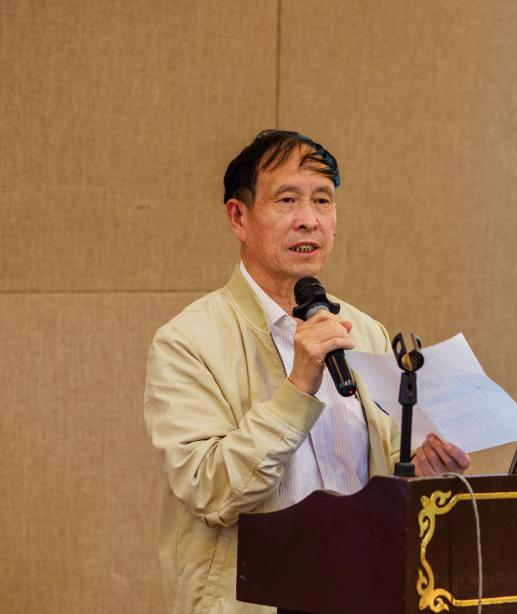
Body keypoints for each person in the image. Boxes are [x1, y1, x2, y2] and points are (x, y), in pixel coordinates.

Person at [144, 130, 470, 613]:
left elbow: (378, 473)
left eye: (323, 200)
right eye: (287, 200)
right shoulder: (188, 341)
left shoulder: (363, 331)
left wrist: (419, 470)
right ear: (239, 217)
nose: (309, 219)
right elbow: (210, 491)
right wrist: (298, 386)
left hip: (365, 594)